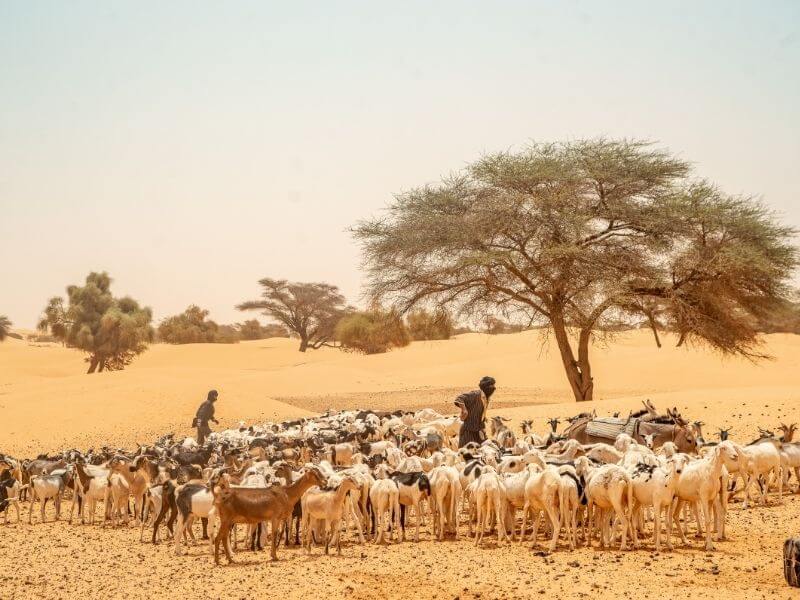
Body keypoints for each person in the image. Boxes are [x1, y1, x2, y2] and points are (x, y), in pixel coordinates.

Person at [454, 376, 496, 448]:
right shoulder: (475, 394)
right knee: (467, 454)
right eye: (491, 385)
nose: (494, 387)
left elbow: (479, 410)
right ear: (485, 386)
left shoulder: (486, 398)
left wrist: (483, 417)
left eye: (493, 385)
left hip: (479, 430)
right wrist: (464, 410)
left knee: (484, 451)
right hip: (468, 431)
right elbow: (459, 398)